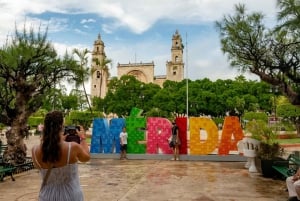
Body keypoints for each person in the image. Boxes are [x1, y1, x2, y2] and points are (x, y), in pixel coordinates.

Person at [31, 111, 90, 201]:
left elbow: (39, 167)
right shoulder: (72, 147)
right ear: (61, 126)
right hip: (71, 195)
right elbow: (86, 158)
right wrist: (82, 138)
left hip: (47, 195)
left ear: (45, 126)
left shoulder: (34, 150)